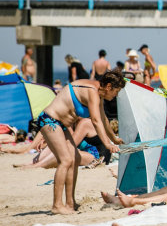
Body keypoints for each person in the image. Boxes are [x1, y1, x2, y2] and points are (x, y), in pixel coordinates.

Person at [38, 70, 125, 214]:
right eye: (116, 91)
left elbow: (103, 120)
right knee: (65, 160)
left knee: (75, 158)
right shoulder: (92, 91)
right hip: (50, 120)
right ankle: (57, 205)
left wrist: (114, 138)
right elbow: (96, 121)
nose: (116, 95)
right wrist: (108, 144)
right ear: (109, 86)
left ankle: (70, 203)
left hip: (61, 125)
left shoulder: (100, 95)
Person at [17, 117, 110, 169]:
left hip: (98, 158)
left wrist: (67, 127)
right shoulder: (75, 123)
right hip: (87, 155)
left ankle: (37, 166)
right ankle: (32, 163)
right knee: (57, 146)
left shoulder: (85, 122)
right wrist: (47, 142)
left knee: (65, 151)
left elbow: (71, 143)